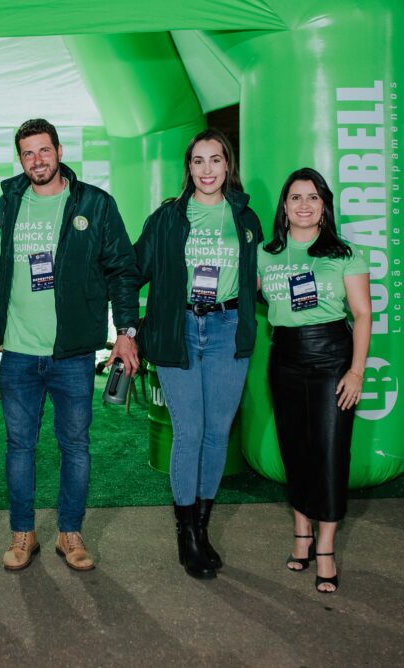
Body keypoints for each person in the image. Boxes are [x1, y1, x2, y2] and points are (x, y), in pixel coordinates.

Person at [0, 118, 140, 572]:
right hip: (18, 352)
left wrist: (126, 331)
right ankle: (23, 534)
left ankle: (70, 534)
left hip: (73, 353)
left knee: (75, 446)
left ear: (59, 151)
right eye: (28, 153)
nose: (37, 160)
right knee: (19, 447)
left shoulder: (94, 203)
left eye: (44, 150)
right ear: (20, 159)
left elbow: (122, 269)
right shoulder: (9, 201)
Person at [133, 128, 263, 580]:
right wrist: (127, 328)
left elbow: (258, 274)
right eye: (198, 161)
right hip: (181, 330)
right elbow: (132, 270)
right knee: (189, 432)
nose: (207, 170)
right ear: (188, 168)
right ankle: (185, 533)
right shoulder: (168, 218)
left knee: (216, 433)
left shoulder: (245, 217)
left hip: (228, 330)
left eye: (215, 160)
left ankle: (202, 529)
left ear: (228, 165)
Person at [258, 167, 371, 594]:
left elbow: (362, 314)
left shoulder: (344, 254)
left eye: (312, 197)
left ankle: (325, 547)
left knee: (329, 451)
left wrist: (356, 371)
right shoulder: (266, 253)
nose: (303, 205)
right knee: (295, 449)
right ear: (284, 207)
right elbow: (247, 293)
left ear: (324, 207)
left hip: (331, 359)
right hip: (284, 358)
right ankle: (301, 533)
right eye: (295, 197)